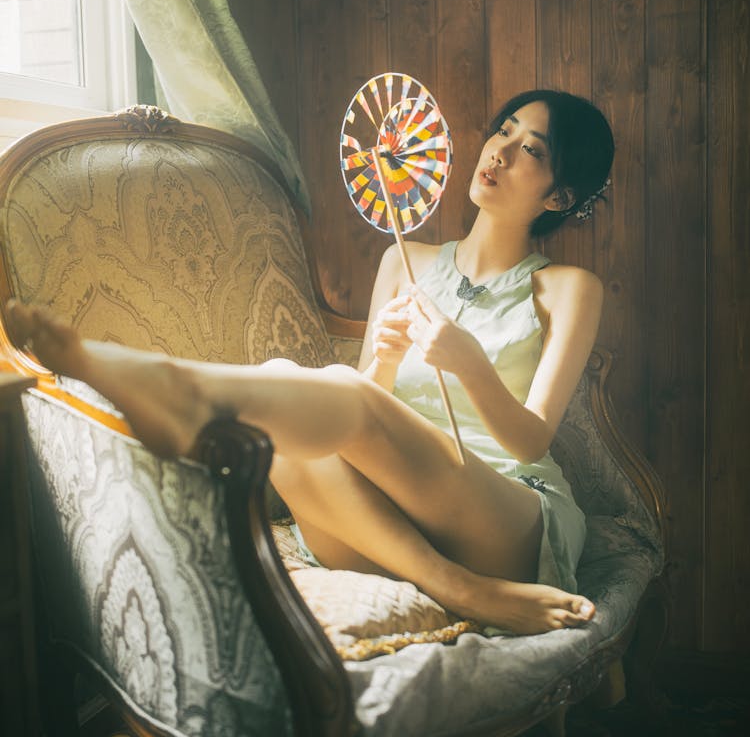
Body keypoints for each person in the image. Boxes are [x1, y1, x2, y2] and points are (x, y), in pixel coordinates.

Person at [6, 88, 614, 636]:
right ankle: (458, 588)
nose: (500, 152)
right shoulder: (403, 261)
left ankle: (176, 387)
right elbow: (369, 404)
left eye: (529, 148)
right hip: (386, 522)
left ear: (559, 195)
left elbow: (532, 440)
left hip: (502, 516)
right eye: (502, 130)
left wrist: (470, 364)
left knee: (330, 393)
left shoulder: (568, 288)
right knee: (282, 410)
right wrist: (387, 357)